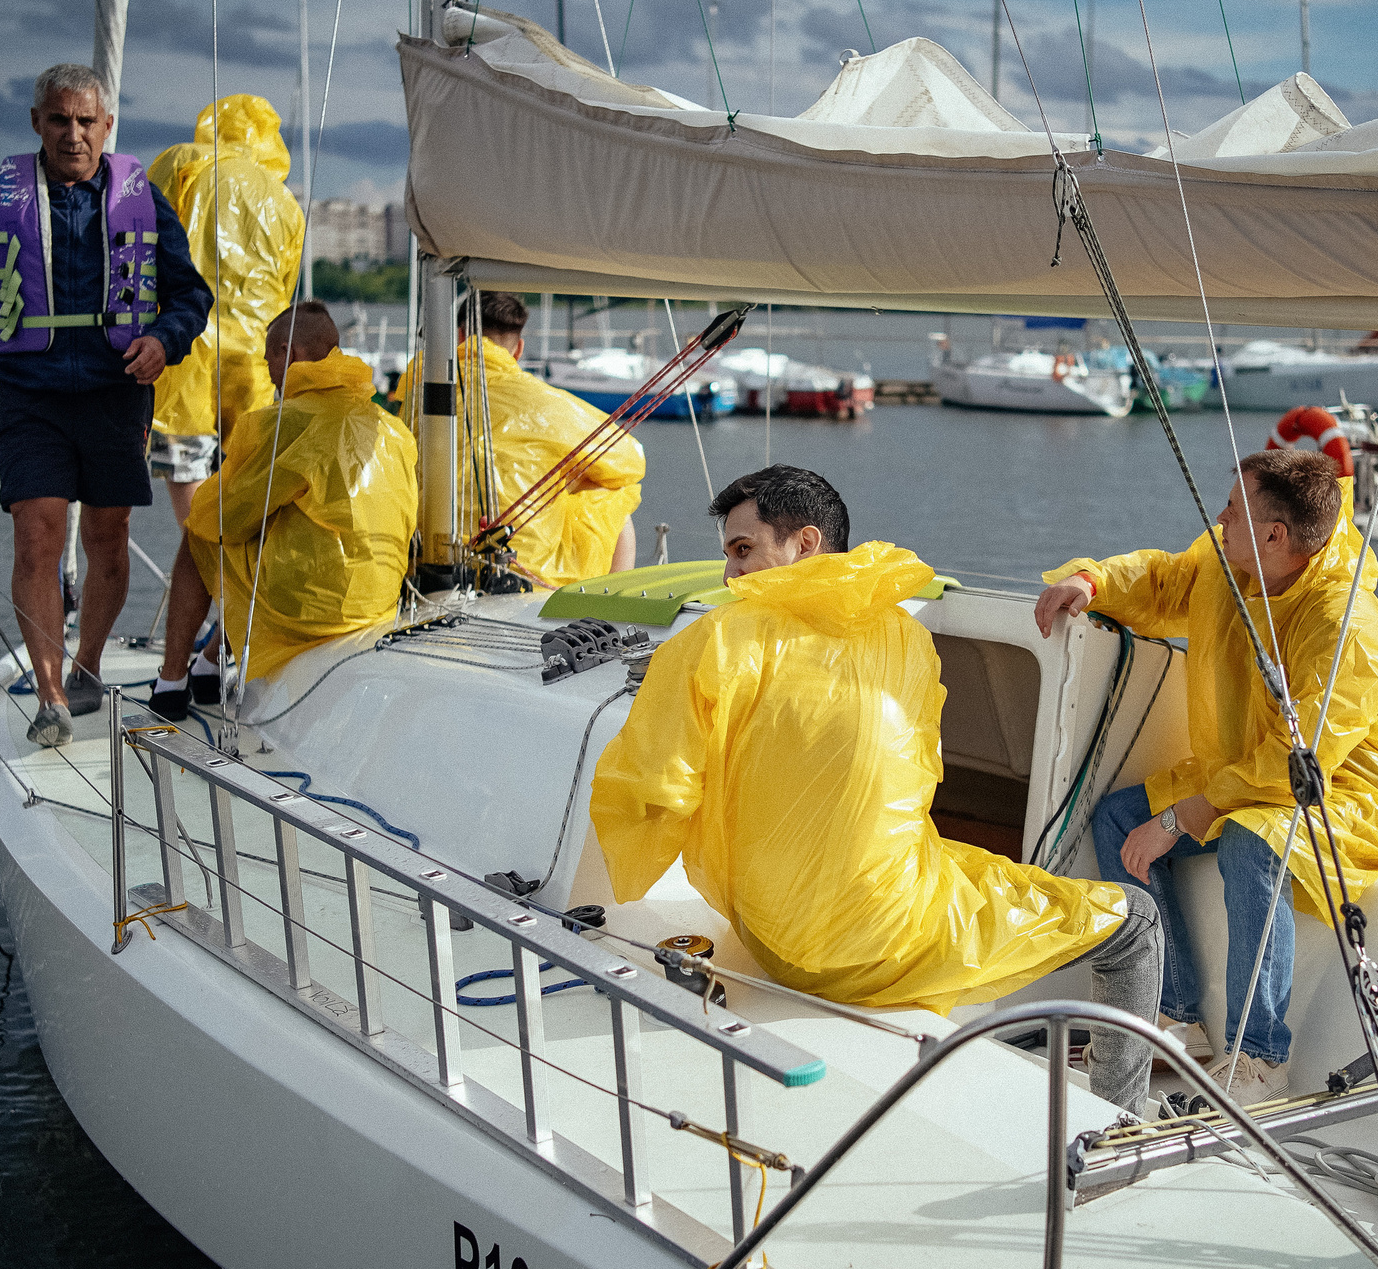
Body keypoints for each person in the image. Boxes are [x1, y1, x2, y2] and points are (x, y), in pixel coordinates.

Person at [591, 465, 1163, 1110]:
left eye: (743, 550)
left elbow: (650, 795)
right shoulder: (908, 635)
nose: (731, 575)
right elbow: (920, 775)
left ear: (805, 543)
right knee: (1136, 922)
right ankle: (1124, 1115)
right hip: (881, 942)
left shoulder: (710, 642)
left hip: (771, 939)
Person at [1035, 451, 1378, 1106]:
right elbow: (1164, 580)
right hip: (1244, 776)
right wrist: (1091, 583)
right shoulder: (1233, 561)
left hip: (1350, 799)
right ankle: (1176, 1018)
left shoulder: (1345, 625)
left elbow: (1294, 765)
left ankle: (1261, 1055)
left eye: (1233, 508)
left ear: (1277, 535)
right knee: (1115, 816)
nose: (1219, 517)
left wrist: (1182, 817)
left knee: (1250, 838)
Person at [0, 62, 212, 749]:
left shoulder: (142, 198)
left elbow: (191, 297)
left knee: (108, 538)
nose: (74, 134)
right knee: (38, 533)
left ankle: (86, 663)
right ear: (38, 123)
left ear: (107, 126)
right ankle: (50, 694)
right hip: (31, 391)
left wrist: (163, 341)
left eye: (87, 122)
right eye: (60, 120)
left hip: (118, 391)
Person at [150, 301, 420, 717]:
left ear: (288, 354)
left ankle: (170, 683)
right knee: (276, 529)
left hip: (311, 608)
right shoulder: (391, 427)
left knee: (200, 533)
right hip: (379, 600)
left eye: (268, 361)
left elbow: (222, 518)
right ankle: (207, 664)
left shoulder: (280, 424)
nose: (269, 374)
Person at [391, 292, 639, 583]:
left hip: (424, 567)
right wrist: (568, 475)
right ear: (518, 349)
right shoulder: (548, 402)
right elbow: (631, 460)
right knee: (616, 494)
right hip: (527, 571)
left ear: (459, 336)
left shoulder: (419, 395)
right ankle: (608, 605)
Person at [145, 95, 304, 522]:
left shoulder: (183, 162)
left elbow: (139, 240)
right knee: (246, 476)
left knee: (189, 466)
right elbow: (285, 287)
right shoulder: (285, 200)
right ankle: (235, 579)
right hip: (254, 356)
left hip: (186, 346)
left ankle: (204, 570)